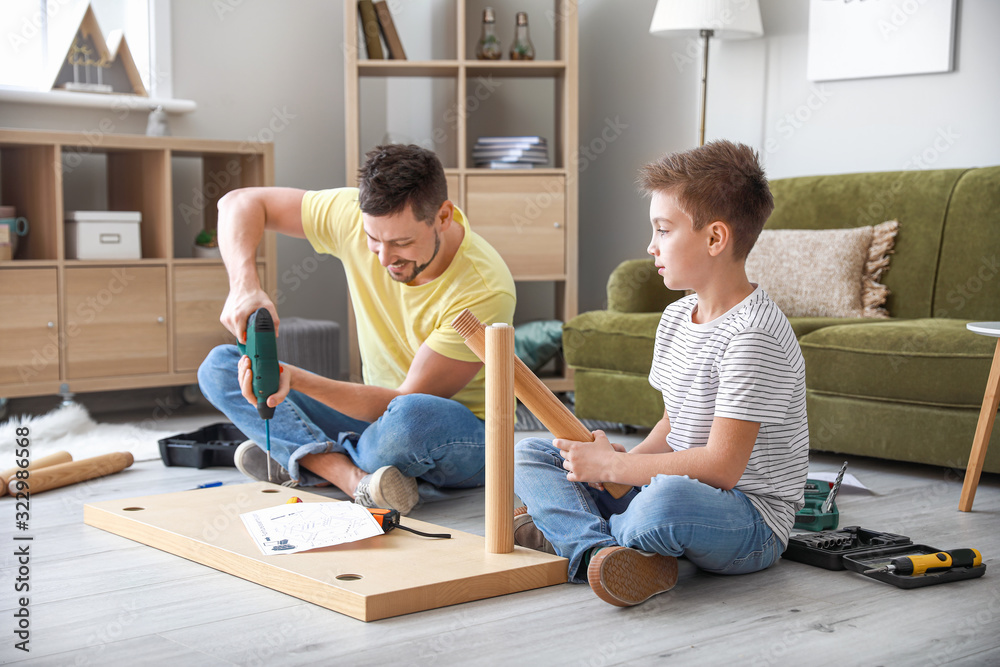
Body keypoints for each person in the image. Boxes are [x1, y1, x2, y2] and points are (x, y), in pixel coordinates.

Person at [513, 140, 809, 607]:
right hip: (671, 483)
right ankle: (602, 553)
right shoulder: (677, 317)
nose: (650, 246)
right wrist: (609, 468)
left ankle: (568, 531)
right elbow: (674, 425)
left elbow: (722, 468)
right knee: (534, 451)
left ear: (715, 239)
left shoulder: (754, 336)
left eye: (663, 230)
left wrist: (618, 468)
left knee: (664, 501)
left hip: (748, 519)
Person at [197, 144, 516, 515]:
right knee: (220, 367)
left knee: (412, 418)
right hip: (371, 422)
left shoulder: (485, 288)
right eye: (373, 239)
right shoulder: (351, 216)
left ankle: (299, 454)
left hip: (456, 434)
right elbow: (238, 202)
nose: (383, 258)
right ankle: (348, 476)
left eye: (402, 242)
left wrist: (294, 379)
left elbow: (399, 400)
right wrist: (243, 284)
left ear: (443, 216)